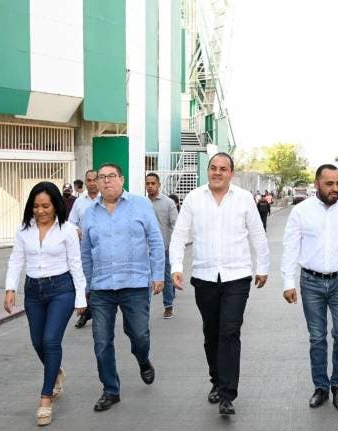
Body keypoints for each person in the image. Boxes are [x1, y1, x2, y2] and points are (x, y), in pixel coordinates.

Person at [169, 152, 270, 416]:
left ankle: (227, 394)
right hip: (204, 277)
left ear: (231, 173)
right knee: (211, 333)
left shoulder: (244, 199)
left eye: (223, 169)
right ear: (208, 171)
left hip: (237, 276)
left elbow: (257, 234)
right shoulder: (194, 198)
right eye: (213, 168)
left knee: (229, 332)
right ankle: (216, 379)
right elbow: (179, 234)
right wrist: (176, 267)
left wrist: (262, 267)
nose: (217, 172)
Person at [281, 164, 338, 411]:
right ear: (317, 184)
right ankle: (321, 387)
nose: (335, 188)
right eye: (330, 184)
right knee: (317, 337)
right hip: (311, 282)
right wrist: (288, 282)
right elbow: (290, 247)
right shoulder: (301, 211)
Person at [81, 163, 165, 412]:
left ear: (122, 179)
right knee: (101, 341)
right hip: (101, 286)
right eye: (101, 177)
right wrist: (85, 286)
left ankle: (143, 359)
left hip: (135, 283)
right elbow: (85, 252)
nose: (106, 181)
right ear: (96, 182)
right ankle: (110, 390)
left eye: (111, 176)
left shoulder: (141, 205)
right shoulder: (89, 213)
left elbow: (155, 241)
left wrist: (158, 275)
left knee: (139, 334)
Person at [4, 182, 87, 426]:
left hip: (61, 290)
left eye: (45, 206)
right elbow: (15, 261)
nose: (40, 211)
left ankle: (46, 397)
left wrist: (81, 297)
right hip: (33, 292)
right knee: (37, 342)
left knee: (51, 341)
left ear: (56, 206)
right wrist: (10, 289)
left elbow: (76, 264)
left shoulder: (67, 230)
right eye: (35, 206)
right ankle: (56, 372)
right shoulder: (23, 230)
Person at [145, 173, 179, 319]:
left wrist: (173, 245)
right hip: (145, 249)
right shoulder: (141, 203)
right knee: (145, 279)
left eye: (153, 183)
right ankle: (144, 307)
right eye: (147, 183)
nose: (150, 186)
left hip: (164, 248)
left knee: (166, 278)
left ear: (159, 185)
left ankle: (168, 306)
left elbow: (175, 225)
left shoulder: (168, 203)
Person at [69, 170, 100, 329]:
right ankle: (85, 312)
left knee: (99, 283)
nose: (92, 183)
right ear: (85, 182)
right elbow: (71, 222)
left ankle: (96, 312)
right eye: (89, 180)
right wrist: (76, 230)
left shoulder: (107, 199)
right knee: (85, 282)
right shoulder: (79, 202)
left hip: (102, 250)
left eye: (95, 179)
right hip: (84, 251)